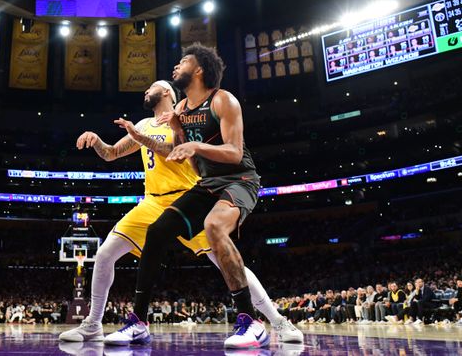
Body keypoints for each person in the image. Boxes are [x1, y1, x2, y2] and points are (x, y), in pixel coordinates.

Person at [61, 81, 301, 345]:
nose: (145, 91)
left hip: (188, 198)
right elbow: (111, 153)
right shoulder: (142, 124)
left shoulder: (185, 117)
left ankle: (279, 321)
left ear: (166, 91)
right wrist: (96, 141)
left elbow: (177, 153)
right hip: (152, 202)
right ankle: (93, 323)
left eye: (150, 87)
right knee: (105, 254)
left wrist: (154, 135)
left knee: (228, 263)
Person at [107, 44, 268, 349]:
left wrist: (195, 147)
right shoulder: (180, 112)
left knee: (214, 226)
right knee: (157, 232)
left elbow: (234, 153)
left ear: (199, 70)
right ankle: (138, 322)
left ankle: (251, 321)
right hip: (206, 183)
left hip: (239, 179)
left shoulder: (223, 101)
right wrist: (143, 139)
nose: (174, 68)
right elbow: (177, 153)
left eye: (182, 63)